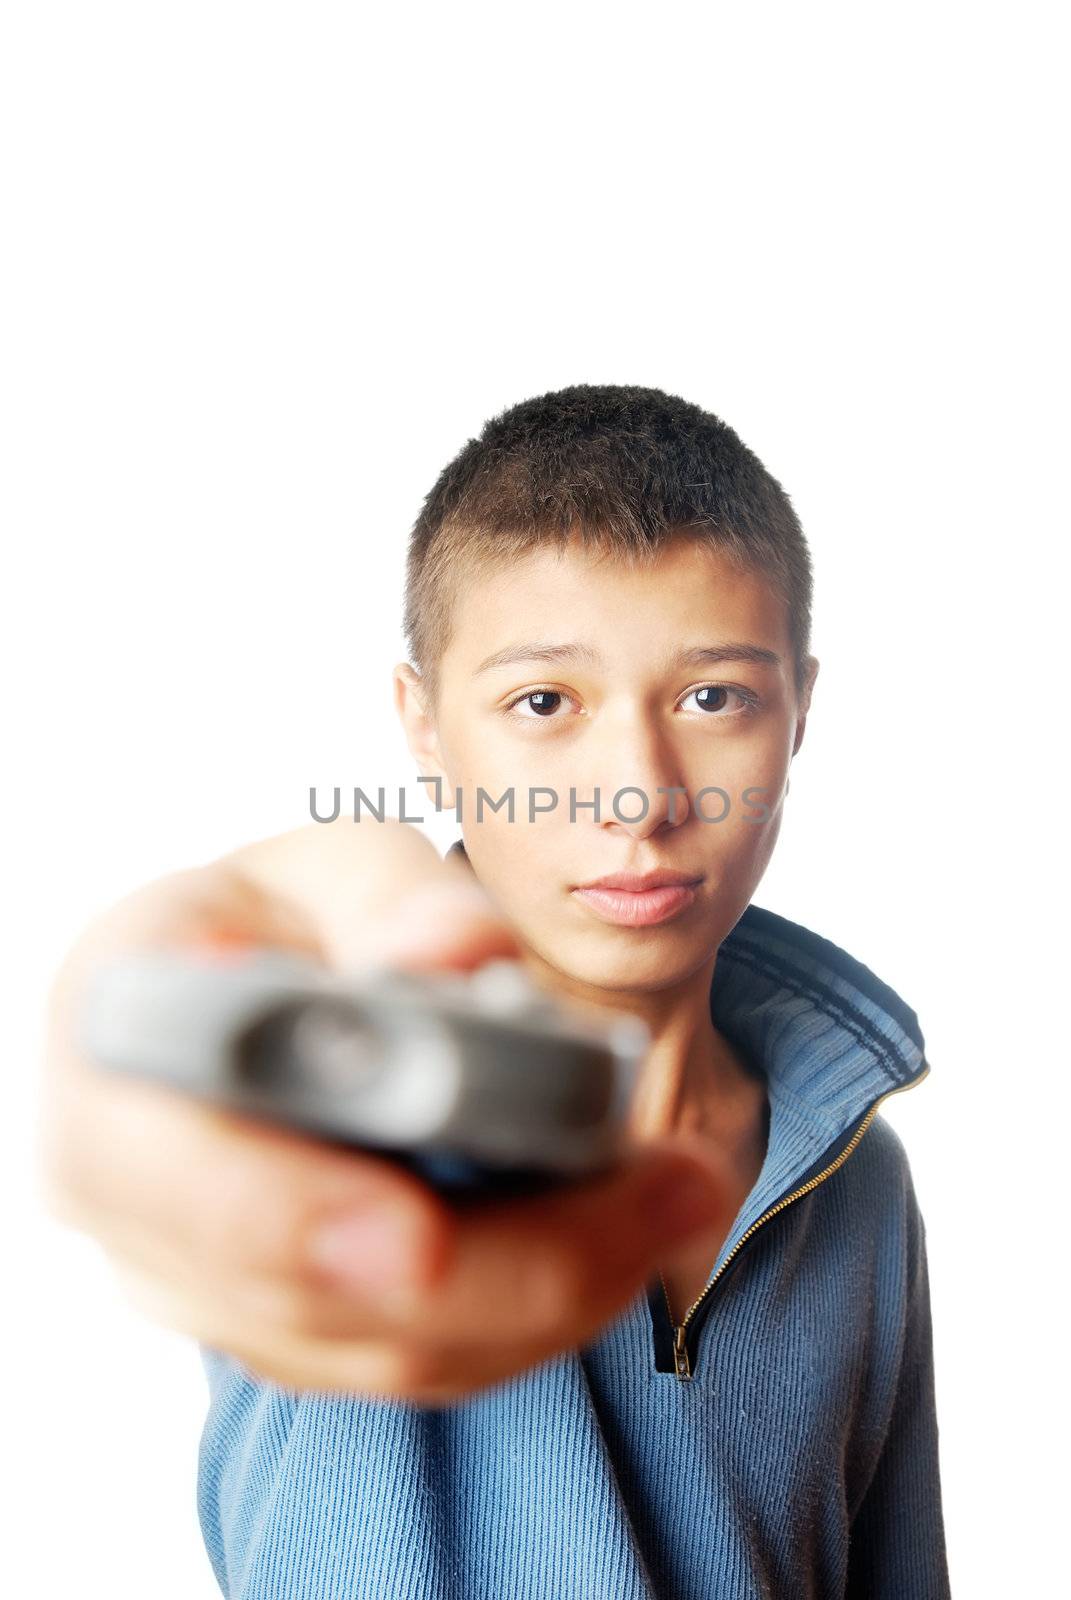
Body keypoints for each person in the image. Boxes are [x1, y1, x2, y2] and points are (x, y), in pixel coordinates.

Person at [41, 384, 951, 1598]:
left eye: (714, 697)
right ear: (423, 724)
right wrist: (140, 1007)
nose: (639, 796)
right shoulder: (363, 1096)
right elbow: (231, 958)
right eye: (543, 704)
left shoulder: (859, 1178)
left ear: (800, 714)